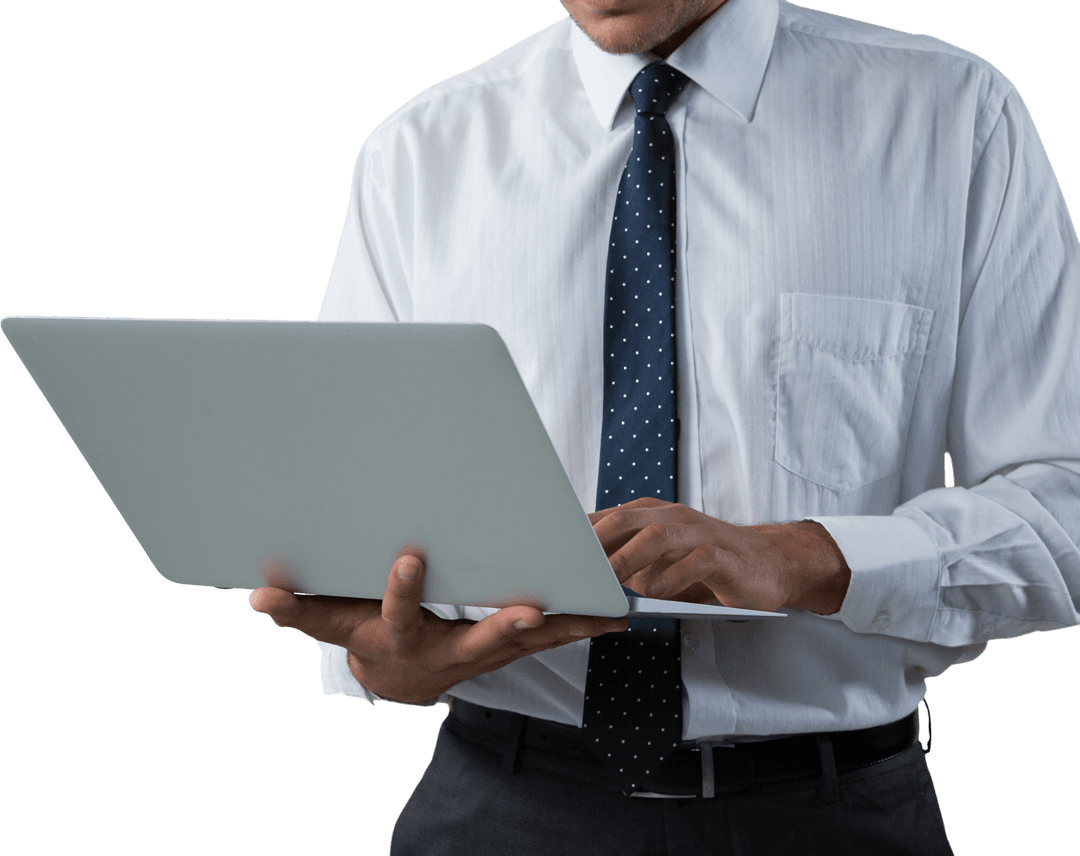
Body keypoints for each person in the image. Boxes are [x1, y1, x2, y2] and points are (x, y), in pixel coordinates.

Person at [249, 0, 1080, 852]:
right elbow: (355, 535)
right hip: (500, 803)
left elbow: (1067, 500)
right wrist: (386, 659)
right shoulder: (418, 155)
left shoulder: (954, 118)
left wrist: (807, 560)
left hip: (833, 815)